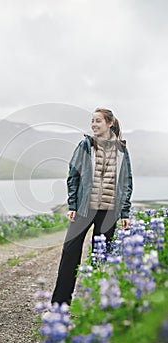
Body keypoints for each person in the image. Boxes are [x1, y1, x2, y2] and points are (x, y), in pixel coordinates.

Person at [51, 108, 133, 306]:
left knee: (101, 258)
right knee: (70, 253)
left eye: (98, 121)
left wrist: (124, 212)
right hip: (84, 209)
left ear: (109, 123)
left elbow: (126, 181)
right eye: (92, 121)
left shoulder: (121, 149)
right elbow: (73, 175)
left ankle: (97, 305)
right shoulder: (86, 145)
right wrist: (72, 204)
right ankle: (60, 305)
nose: (94, 125)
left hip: (110, 211)